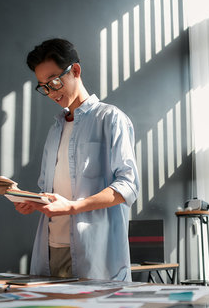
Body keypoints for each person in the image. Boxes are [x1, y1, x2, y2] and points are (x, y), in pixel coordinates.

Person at [15, 38, 140, 281]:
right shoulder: (55, 130)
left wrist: (73, 207)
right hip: (51, 250)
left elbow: (127, 187)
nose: (51, 92)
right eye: (44, 86)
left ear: (75, 70)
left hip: (95, 253)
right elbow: (48, 190)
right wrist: (32, 201)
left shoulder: (111, 119)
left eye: (54, 81)